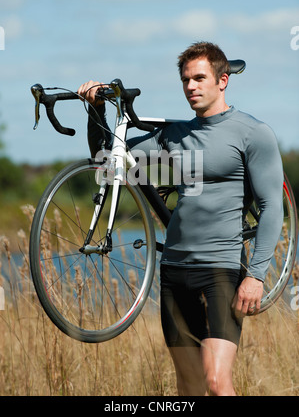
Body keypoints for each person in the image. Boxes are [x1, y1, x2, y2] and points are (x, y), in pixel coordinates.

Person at [78, 42, 283, 396]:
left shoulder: (252, 133)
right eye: (186, 80)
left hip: (221, 270)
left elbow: (272, 208)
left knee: (217, 382)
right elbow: (108, 159)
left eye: (200, 78)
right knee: (189, 387)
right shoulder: (174, 136)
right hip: (174, 272)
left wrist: (256, 276)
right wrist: (95, 111)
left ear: (223, 81)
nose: (191, 86)